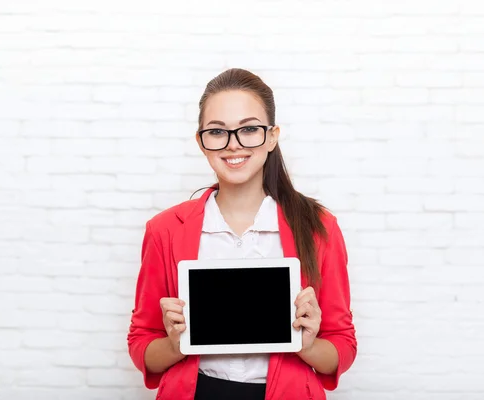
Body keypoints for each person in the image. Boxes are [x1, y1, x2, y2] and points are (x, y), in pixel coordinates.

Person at [127, 68, 357, 400]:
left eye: (249, 129)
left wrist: (307, 345)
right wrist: (173, 345)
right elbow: (141, 344)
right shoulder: (165, 230)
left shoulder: (318, 227)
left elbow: (342, 346)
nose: (233, 144)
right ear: (201, 142)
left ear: (272, 136)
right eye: (217, 132)